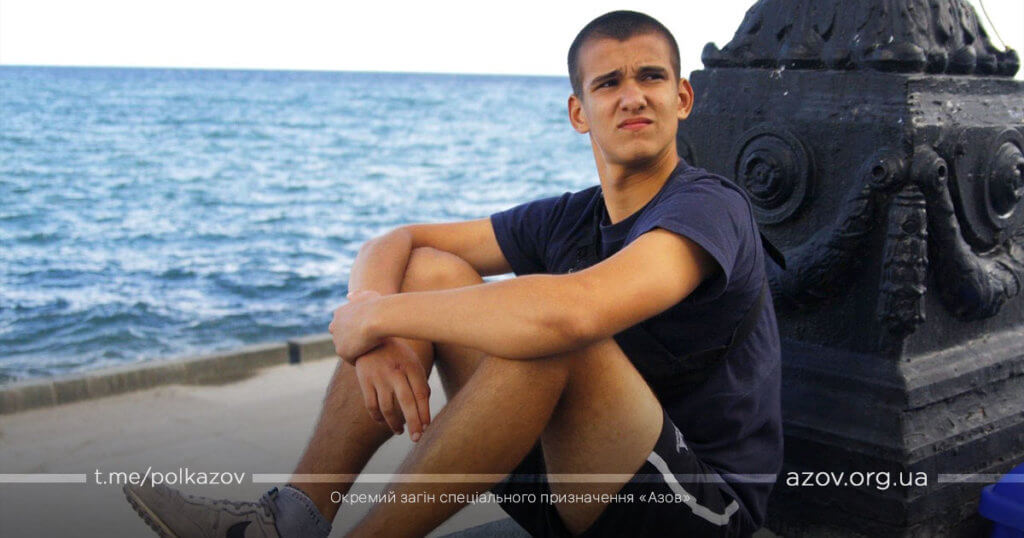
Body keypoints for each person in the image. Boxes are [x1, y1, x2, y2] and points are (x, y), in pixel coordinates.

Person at [123, 10, 783, 538]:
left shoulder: (709, 207)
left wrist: (374, 319)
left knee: (553, 331)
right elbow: (400, 240)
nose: (632, 96)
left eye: (651, 77)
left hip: (695, 508)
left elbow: (572, 311)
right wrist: (371, 316)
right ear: (579, 112)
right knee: (429, 271)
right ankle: (289, 520)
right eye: (608, 83)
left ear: (682, 97)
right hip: (561, 486)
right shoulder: (570, 217)